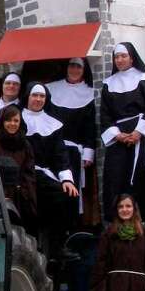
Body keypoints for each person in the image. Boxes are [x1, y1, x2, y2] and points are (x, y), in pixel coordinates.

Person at [100, 42, 145, 225]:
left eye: (123, 56)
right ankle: (118, 220)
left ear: (132, 58)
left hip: (143, 137)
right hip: (120, 139)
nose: (120, 60)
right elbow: (105, 114)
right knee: (116, 177)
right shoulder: (109, 84)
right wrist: (117, 134)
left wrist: (139, 132)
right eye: (116, 57)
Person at [23, 84, 80, 262]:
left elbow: (60, 155)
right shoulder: (17, 118)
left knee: (67, 194)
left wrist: (67, 180)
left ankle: (57, 246)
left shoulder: (52, 123)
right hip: (22, 172)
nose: (38, 99)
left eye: (42, 96)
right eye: (35, 95)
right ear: (28, 97)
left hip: (43, 173)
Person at [46, 57, 98, 221]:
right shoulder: (51, 89)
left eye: (78, 67)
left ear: (84, 71)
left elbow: (91, 125)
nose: (74, 70)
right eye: (72, 66)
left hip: (76, 152)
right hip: (53, 149)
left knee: (74, 190)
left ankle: (73, 224)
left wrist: (89, 152)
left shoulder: (89, 93)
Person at [0, 104, 38, 234]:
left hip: (19, 196)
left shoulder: (25, 145)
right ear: (2, 122)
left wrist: (21, 192)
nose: (12, 124)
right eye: (8, 120)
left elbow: (29, 173)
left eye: (16, 120)